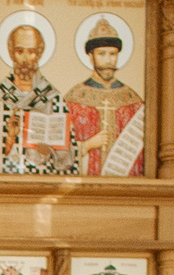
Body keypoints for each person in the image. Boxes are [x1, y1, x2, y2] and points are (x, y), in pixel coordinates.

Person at [0, 21, 72, 175]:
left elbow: (68, 163)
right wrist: (9, 139)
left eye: (31, 52)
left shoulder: (54, 99)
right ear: (11, 53)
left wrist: (50, 151)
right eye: (19, 51)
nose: (25, 59)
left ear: (39, 54)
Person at [69, 19, 146, 177]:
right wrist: (87, 145)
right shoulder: (74, 99)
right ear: (91, 56)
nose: (108, 60)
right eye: (102, 54)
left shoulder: (132, 100)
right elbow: (58, 150)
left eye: (112, 54)